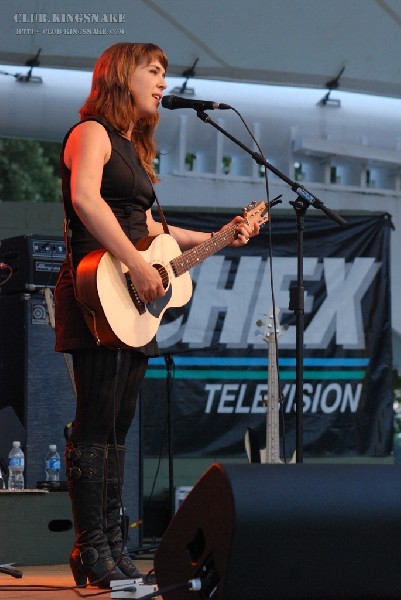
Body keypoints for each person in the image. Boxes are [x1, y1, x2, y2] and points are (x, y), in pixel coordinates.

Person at [54, 42, 259, 589]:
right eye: (155, 71)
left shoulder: (133, 148)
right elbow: (86, 202)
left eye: (165, 74)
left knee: (119, 426)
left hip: (132, 293)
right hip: (95, 285)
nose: (163, 83)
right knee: (96, 420)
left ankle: (114, 546)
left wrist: (221, 236)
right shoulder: (91, 133)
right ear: (124, 75)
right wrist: (133, 265)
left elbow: (155, 232)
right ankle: (89, 548)